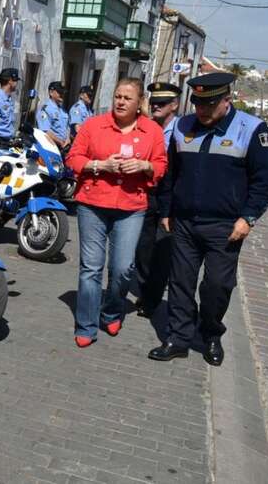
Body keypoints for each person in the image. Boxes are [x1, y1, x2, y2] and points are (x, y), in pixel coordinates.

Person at [149, 73, 268, 365]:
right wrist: (167, 210)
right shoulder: (182, 126)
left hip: (226, 226)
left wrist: (248, 217)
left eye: (209, 104)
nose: (202, 111)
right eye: (198, 104)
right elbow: (171, 173)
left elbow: (265, 181)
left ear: (226, 100)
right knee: (180, 282)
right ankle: (179, 338)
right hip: (184, 221)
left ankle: (210, 334)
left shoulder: (251, 129)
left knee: (217, 286)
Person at [65, 78, 168, 348]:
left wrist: (144, 166)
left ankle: (111, 311)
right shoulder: (93, 125)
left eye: (127, 98)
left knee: (123, 268)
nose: (120, 102)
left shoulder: (152, 131)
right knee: (91, 267)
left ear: (139, 103)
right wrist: (100, 165)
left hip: (131, 207)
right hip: (93, 204)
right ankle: (86, 324)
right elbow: (73, 158)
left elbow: (161, 165)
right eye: (117, 96)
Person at [133, 82, 181, 318]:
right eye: (153, 102)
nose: (155, 107)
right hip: (147, 194)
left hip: (169, 199)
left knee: (162, 252)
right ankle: (144, 289)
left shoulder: (183, 131)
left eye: (161, 103)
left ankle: (151, 299)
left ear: (174, 105)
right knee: (143, 249)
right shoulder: (148, 128)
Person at [37, 81, 71, 153]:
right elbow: (45, 131)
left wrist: (68, 139)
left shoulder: (62, 109)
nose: (62, 94)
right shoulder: (45, 109)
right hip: (51, 147)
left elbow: (67, 127)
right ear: (51, 92)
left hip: (64, 147)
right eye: (59, 92)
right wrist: (61, 142)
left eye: (63, 92)